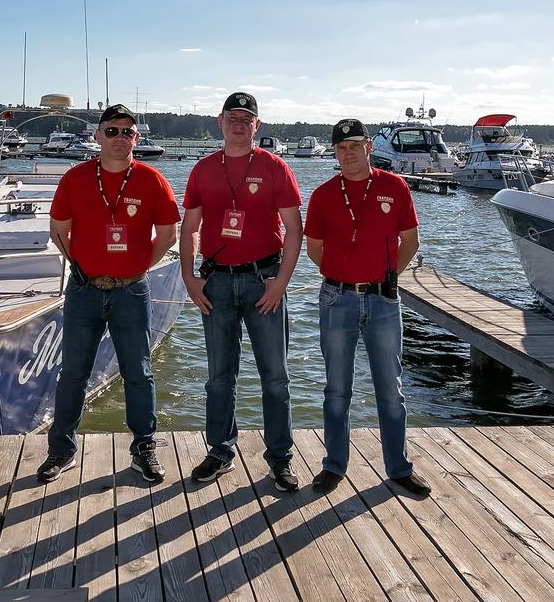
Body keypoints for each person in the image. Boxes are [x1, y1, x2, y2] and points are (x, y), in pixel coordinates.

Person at [37, 104, 180, 484]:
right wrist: (81, 266)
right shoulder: (75, 178)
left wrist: (137, 268)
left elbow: (168, 237)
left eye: (127, 132)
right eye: (112, 131)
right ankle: (61, 450)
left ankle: (144, 448)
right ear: (98, 136)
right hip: (84, 290)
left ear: (138, 138)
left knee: (139, 373)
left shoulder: (152, 180)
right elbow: (58, 231)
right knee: (73, 374)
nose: (120, 138)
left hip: (131, 291)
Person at [180, 92, 303, 491]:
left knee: (276, 376)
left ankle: (280, 459)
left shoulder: (274, 167)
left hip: (262, 280)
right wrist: (189, 277)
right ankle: (220, 452)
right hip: (215, 281)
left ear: (257, 126)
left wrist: (281, 282)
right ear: (220, 121)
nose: (238, 123)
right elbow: (190, 228)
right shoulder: (202, 169)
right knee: (219, 377)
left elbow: (294, 229)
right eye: (232, 117)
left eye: (245, 118)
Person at [304, 118, 431, 496]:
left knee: (390, 389)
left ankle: (398, 467)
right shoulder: (324, 194)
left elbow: (411, 241)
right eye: (341, 148)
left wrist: (389, 277)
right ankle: (334, 466)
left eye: (354, 146)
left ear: (369, 147)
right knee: (337, 388)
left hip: (383, 300)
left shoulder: (394, 186)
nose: (348, 154)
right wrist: (341, 274)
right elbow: (314, 248)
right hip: (336, 298)